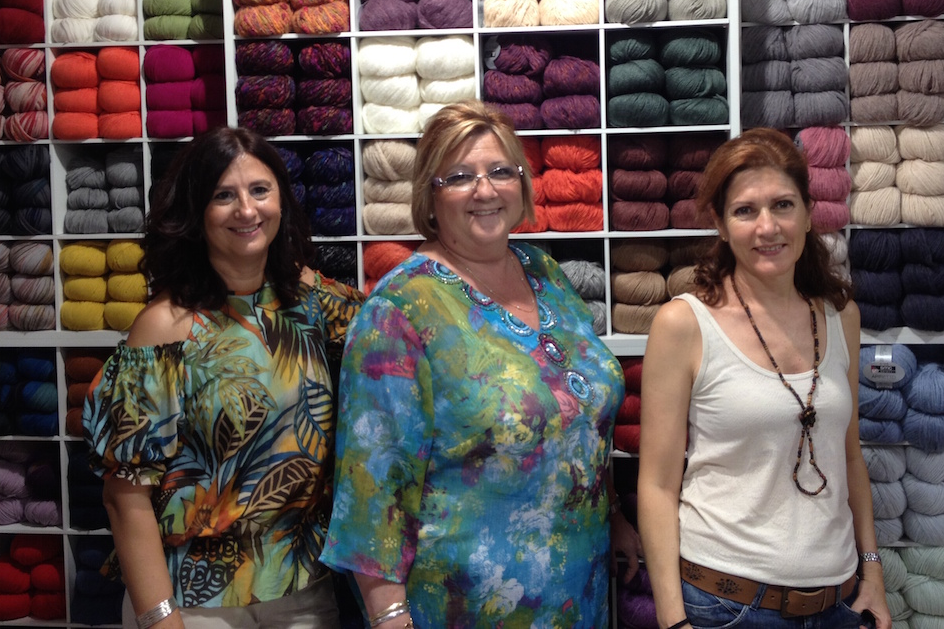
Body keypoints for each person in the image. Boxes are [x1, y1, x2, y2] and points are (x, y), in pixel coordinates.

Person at [322, 99, 639, 628]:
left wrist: (613, 512)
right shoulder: (400, 310)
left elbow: (576, 415)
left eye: (500, 171)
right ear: (430, 195)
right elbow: (372, 489)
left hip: (576, 590)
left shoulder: (543, 273)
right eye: (459, 177)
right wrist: (390, 615)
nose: (485, 190)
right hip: (464, 605)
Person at [83, 127, 366, 629]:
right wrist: (161, 618)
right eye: (223, 196)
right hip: (192, 599)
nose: (247, 210)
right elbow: (125, 496)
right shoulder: (164, 328)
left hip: (303, 588)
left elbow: (394, 348)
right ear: (196, 212)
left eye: (260, 190)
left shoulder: (313, 301)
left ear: (281, 199)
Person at [638, 128, 891, 629]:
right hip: (726, 604)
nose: (767, 227)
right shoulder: (685, 324)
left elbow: (849, 455)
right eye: (745, 210)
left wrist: (873, 570)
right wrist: (673, 621)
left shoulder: (841, 317)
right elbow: (658, 485)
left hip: (839, 602)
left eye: (783, 205)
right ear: (720, 224)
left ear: (808, 213)